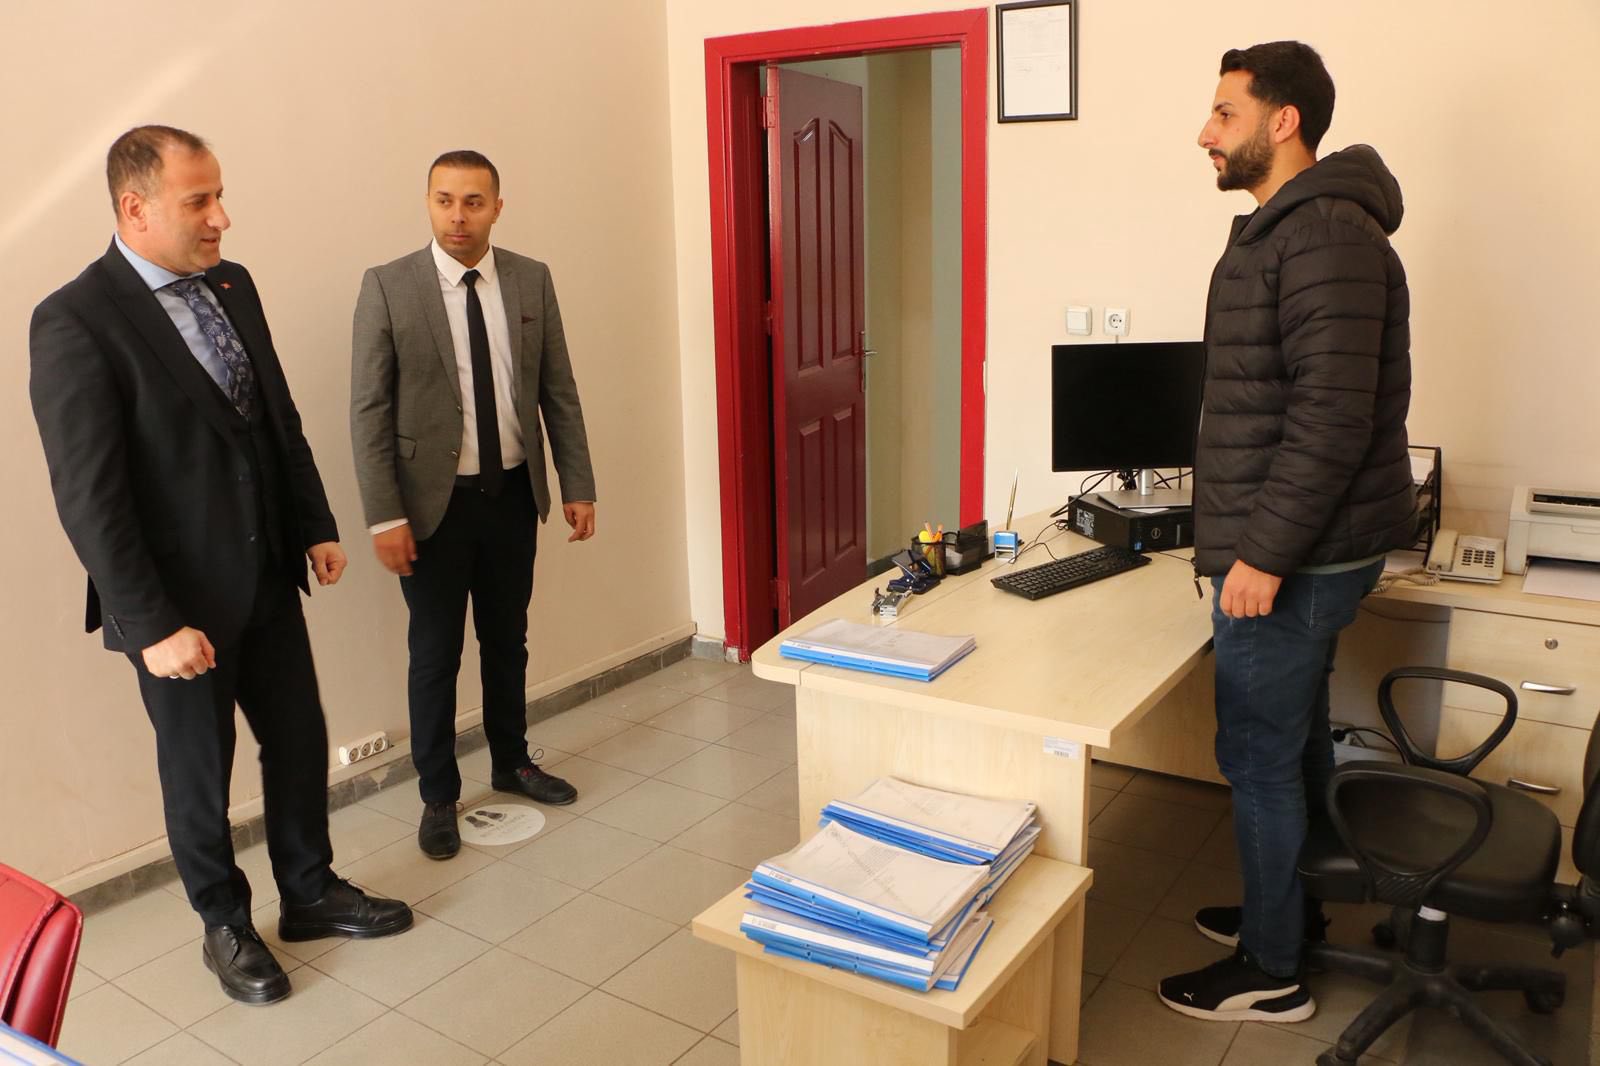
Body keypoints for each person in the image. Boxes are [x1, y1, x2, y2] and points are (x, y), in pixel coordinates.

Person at [29, 126, 412, 1006]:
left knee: (299, 738)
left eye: (219, 196)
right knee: (200, 771)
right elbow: (89, 496)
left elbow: (277, 417)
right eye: (198, 201)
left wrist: (314, 525)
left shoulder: (232, 285)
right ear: (135, 208)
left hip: (268, 574)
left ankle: (309, 892)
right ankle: (226, 925)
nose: (221, 218)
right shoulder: (76, 319)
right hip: (174, 607)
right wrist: (153, 625)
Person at [1157, 43, 1418, 1021]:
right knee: (1293, 738)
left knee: (1259, 755)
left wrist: (1262, 555)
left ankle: (1270, 970)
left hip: (1294, 553)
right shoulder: (1291, 229)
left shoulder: (1321, 235)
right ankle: (1290, 915)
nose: (1205, 132)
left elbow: (1330, 419)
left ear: (1283, 121)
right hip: (1302, 544)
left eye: (1224, 113)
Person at [350, 150, 597, 860]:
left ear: (497, 207)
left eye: (473, 202)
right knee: (435, 653)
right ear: (428, 202)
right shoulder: (389, 286)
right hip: (432, 508)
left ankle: (512, 761)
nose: (458, 216)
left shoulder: (529, 278)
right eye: (445, 200)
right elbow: (369, 411)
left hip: (512, 493)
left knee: (507, 639)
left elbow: (558, 389)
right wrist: (384, 515)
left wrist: (577, 483)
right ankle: (438, 795)